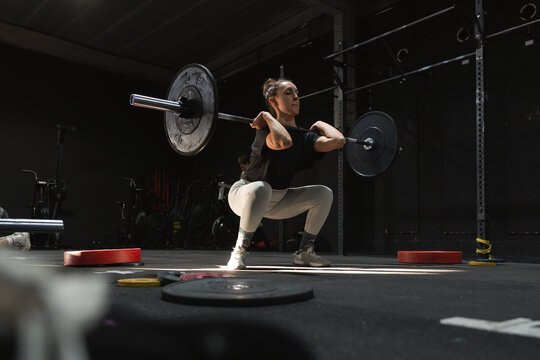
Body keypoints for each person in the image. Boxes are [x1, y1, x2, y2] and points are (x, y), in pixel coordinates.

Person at [226, 78, 346, 270]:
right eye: (288, 93)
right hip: (245, 195)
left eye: (297, 93)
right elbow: (283, 142)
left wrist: (319, 123)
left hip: (278, 201)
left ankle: (305, 253)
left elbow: (338, 141)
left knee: (324, 193)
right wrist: (267, 116)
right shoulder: (264, 129)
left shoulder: (305, 137)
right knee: (261, 188)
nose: (296, 97)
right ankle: (239, 250)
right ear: (273, 101)